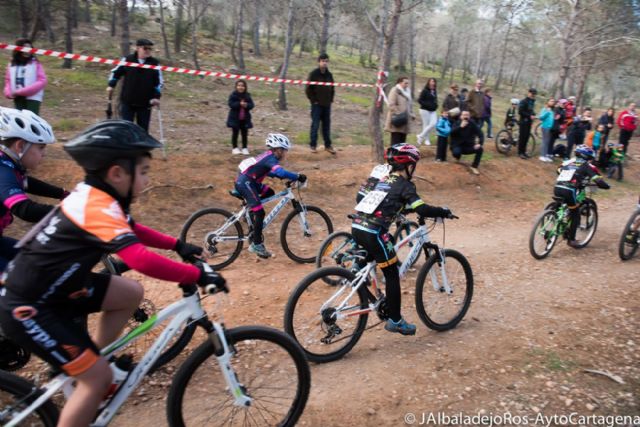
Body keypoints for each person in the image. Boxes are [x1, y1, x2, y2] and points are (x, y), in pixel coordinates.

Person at [0, 120, 225, 427]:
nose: (146, 180)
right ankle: (90, 374)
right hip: (31, 307)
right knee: (98, 379)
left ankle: (91, 357)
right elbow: (140, 259)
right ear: (117, 173)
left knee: (129, 293)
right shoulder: (98, 206)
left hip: (53, 288)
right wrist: (196, 275)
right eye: (143, 172)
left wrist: (178, 244)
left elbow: (131, 229)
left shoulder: (95, 195)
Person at [351, 143, 453, 335]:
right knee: (391, 274)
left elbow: (364, 199)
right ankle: (395, 321)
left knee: (380, 250)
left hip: (357, 226)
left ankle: (358, 274)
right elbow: (421, 209)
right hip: (374, 232)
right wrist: (443, 212)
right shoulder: (406, 186)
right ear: (409, 166)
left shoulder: (382, 179)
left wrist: (396, 209)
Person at [0, 107, 68, 270]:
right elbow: (24, 209)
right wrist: (65, 214)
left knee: (39, 262)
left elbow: (25, 183)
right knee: (21, 283)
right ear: (20, 145)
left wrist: (63, 193)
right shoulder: (3, 170)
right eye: (41, 147)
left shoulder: (8, 165)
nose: (44, 154)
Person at [235, 133, 306, 258]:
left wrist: (281, 176)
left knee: (269, 193)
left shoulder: (268, 157)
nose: (285, 153)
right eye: (284, 150)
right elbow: (279, 171)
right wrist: (297, 176)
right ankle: (256, 244)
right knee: (260, 212)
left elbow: (269, 171)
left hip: (249, 182)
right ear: (277, 149)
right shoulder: (270, 158)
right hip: (247, 183)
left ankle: (251, 214)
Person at [554, 144, 610, 248]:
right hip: (570, 191)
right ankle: (571, 240)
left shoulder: (569, 161)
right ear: (588, 157)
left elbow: (558, 170)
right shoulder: (586, 166)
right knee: (575, 213)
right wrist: (606, 186)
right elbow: (597, 179)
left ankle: (554, 218)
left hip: (557, 187)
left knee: (562, 205)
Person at [107, 38, 163, 132]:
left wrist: (156, 97)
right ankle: (126, 146)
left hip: (145, 103)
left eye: (150, 49)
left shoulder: (154, 63)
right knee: (126, 129)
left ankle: (142, 147)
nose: (148, 51)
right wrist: (111, 85)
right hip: (127, 101)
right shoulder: (128, 59)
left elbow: (159, 82)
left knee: (143, 130)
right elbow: (116, 73)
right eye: (145, 48)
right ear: (138, 48)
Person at [3, 38, 47, 115]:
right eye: (25, 48)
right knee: (20, 121)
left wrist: (25, 91)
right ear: (18, 49)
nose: (28, 51)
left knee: (32, 120)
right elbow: (8, 80)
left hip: (33, 97)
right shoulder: (12, 64)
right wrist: (8, 92)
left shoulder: (35, 63)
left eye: (29, 48)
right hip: (17, 97)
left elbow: (42, 80)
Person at [305, 53, 335, 154]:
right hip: (317, 105)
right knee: (315, 125)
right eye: (323, 61)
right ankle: (313, 145)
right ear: (319, 62)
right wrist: (314, 101)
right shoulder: (314, 74)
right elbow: (308, 89)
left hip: (327, 105)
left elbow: (332, 88)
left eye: (326, 61)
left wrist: (331, 100)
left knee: (326, 126)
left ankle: (328, 145)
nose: (324, 63)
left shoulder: (329, 75)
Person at [450, 110, 484, 175]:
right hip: (458, 146)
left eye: (467, 115)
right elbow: (451, 133)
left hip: (469, 146)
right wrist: (460, 127)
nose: (466, 116)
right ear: (461, 116)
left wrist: (480, 143)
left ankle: (474, 166)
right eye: (464, 115)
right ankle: (457, 157)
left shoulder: (472, 124)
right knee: (456, 152)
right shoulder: (457, 123)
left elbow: (480, 134)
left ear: (469, 116)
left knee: (480, 149)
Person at [226, 80, 254, 155]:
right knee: (235, 133)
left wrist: (247, 105)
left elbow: (252, 105)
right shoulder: (233, 95)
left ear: (245, 87)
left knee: (244, 133)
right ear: (236, 87)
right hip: (235, 118)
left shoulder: (247, 95)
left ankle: (244, 148)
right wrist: (239, 104)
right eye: (239, 85)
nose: (240, 87)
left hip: (245, 119)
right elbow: (230, 104)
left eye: (242, 86)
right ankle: (235, 148)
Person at [384, 77, 414, 145]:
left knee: (402, 142)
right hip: (397, 120)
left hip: (405, 121)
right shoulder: (394, 90)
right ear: (400, 83)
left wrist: (411, 114)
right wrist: (399, 114)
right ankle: (393, 155)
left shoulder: (408, 92)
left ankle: (400, 155)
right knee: (395, 141)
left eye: (408, 83)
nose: (407, 85)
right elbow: (391, 104)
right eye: (405, 83)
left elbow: (409, 105)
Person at [416, 78, 438, 146]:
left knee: (433, 123)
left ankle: (420, 136)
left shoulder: (434, 91)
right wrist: (427, 105)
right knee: (426, 125)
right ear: (428, 82)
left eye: (434, 81)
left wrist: (436, 105)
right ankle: (426, 140)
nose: (433, 83)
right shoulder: (425, 91)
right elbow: (419, 100)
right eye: (431, 81)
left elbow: (434, 100)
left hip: (433, 111)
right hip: (424, 110)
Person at [517, 88, 537, 159]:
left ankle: (524, 151)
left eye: (534, 94)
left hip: (529, 122)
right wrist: (529, 115)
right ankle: (520, 152)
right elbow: (520, 112)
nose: (533, 95)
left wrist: (534, 114)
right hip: (523, 122)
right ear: (528, 93)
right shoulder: (523, 101)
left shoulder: (532, 102)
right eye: (532, 93)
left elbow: (531, 111)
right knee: (522, 137)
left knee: (526, 137)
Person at [538, 98, 556, 162]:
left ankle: (545, 155)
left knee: (548, 142)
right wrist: (547, 112)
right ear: (548, 102)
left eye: (553, 101)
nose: (552, 102)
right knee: (545, 141)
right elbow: (541, 117)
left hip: (551, 128)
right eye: (551, 101)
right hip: (545, 127)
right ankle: (542, 156)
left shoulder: (553, 110)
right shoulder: (545, 109)